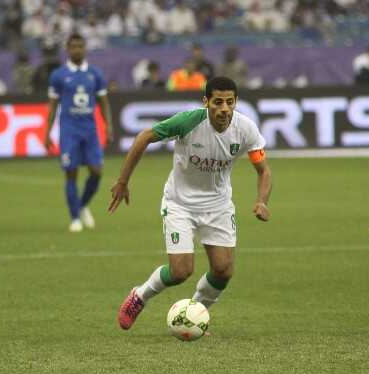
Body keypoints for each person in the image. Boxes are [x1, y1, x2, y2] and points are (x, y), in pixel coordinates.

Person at [110, 77, 272, 330]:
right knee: (180, 271)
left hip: (218, 206)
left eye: (230, 102)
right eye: (218, 102)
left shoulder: (246, 129)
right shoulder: (188, 121)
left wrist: (262, 201)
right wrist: (122, 182)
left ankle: (194, 313)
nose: (224, 109)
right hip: (179, 204)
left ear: (236, 102)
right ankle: (139, 296)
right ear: (206, 102)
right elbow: (144, 136)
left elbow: (263, 170)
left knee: (223, 270)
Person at [43, 33, 113, 232]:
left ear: (85, 48)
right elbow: (53, 105)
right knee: (71, 174)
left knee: (97, 172)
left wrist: (108, 127)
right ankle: (75, 218)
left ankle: (82, 205)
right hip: (69, 132)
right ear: (67, 49)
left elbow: (103, 102)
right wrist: (47, 133)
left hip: (90, 131)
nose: (77, 50)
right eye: (73, 46)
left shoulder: (95, 74)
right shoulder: (58, 75)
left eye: (80, 46)